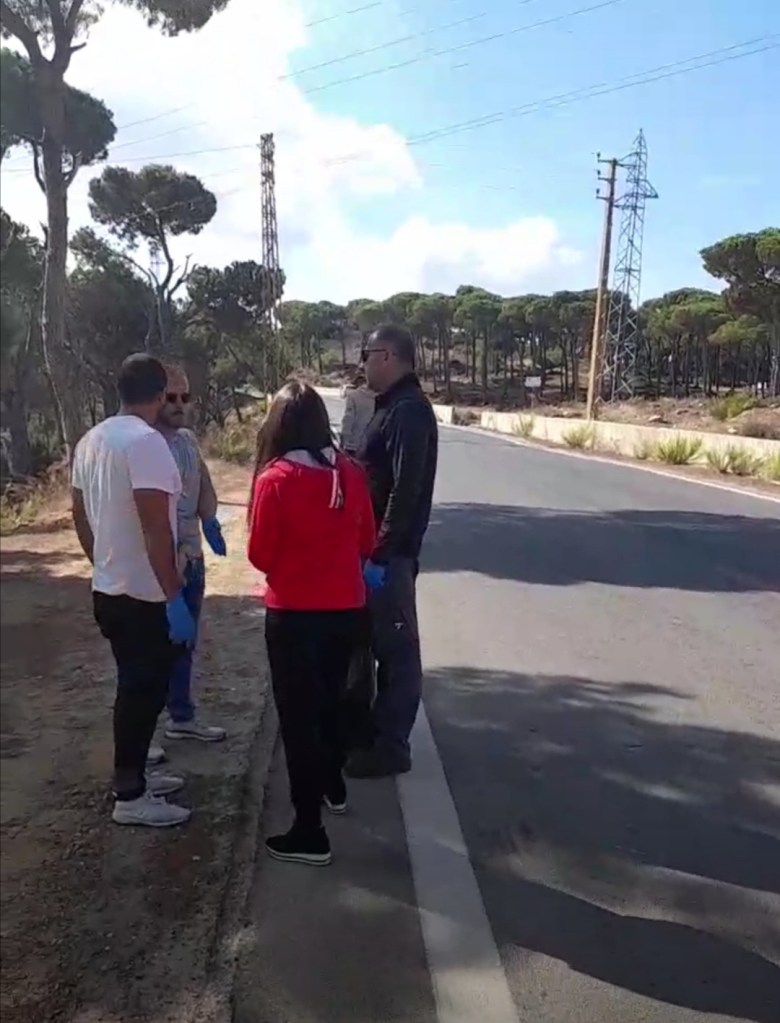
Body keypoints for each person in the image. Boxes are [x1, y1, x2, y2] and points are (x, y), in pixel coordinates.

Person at [247, 381, 376, 866]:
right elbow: (367, 541)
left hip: (295, 616)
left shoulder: (275, 480)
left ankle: (309, 831)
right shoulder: (350, 472)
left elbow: (260, 555)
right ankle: (332, 783)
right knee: (332, 703)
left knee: (299, 720)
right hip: (347, 610)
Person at [71, 353, 195, 827]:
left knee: (136, 686)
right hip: (144, 594)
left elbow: (79, 514)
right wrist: (174, 595)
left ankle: (137, 773)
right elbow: (156, 528)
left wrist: (102, 563)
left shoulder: (92, 440)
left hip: (110, 587)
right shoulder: (146, 443)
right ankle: (130, 795)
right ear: (160, 394)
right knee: (142, 693)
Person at [346, 323, 439, 779]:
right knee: (376, 647)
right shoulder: (391, 406)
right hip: (376, 553)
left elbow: (406, 489)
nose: (362, 364)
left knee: (398, 654)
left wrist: (380, 554)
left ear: (387, 356)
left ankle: (392, 747)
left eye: (366, 355)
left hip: (389, 558)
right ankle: (372, 733)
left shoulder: (408, 411)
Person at [153, 364, 227, 751]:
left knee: (185, 643)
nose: (180, 404)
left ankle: (182, 717)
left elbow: (204, 484)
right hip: (162, 563)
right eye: (171, 397)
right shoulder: (146, 445)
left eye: (186, 396)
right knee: (152, 651)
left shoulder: (186, 440)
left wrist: (210, 520)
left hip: (192, 558)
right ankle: (141, 738)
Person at [339, 369, 376, 455]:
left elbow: (348, 420)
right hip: (373, 444)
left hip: (354, 444)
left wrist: (344, 440)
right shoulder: (383, 397)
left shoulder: (353, 396)